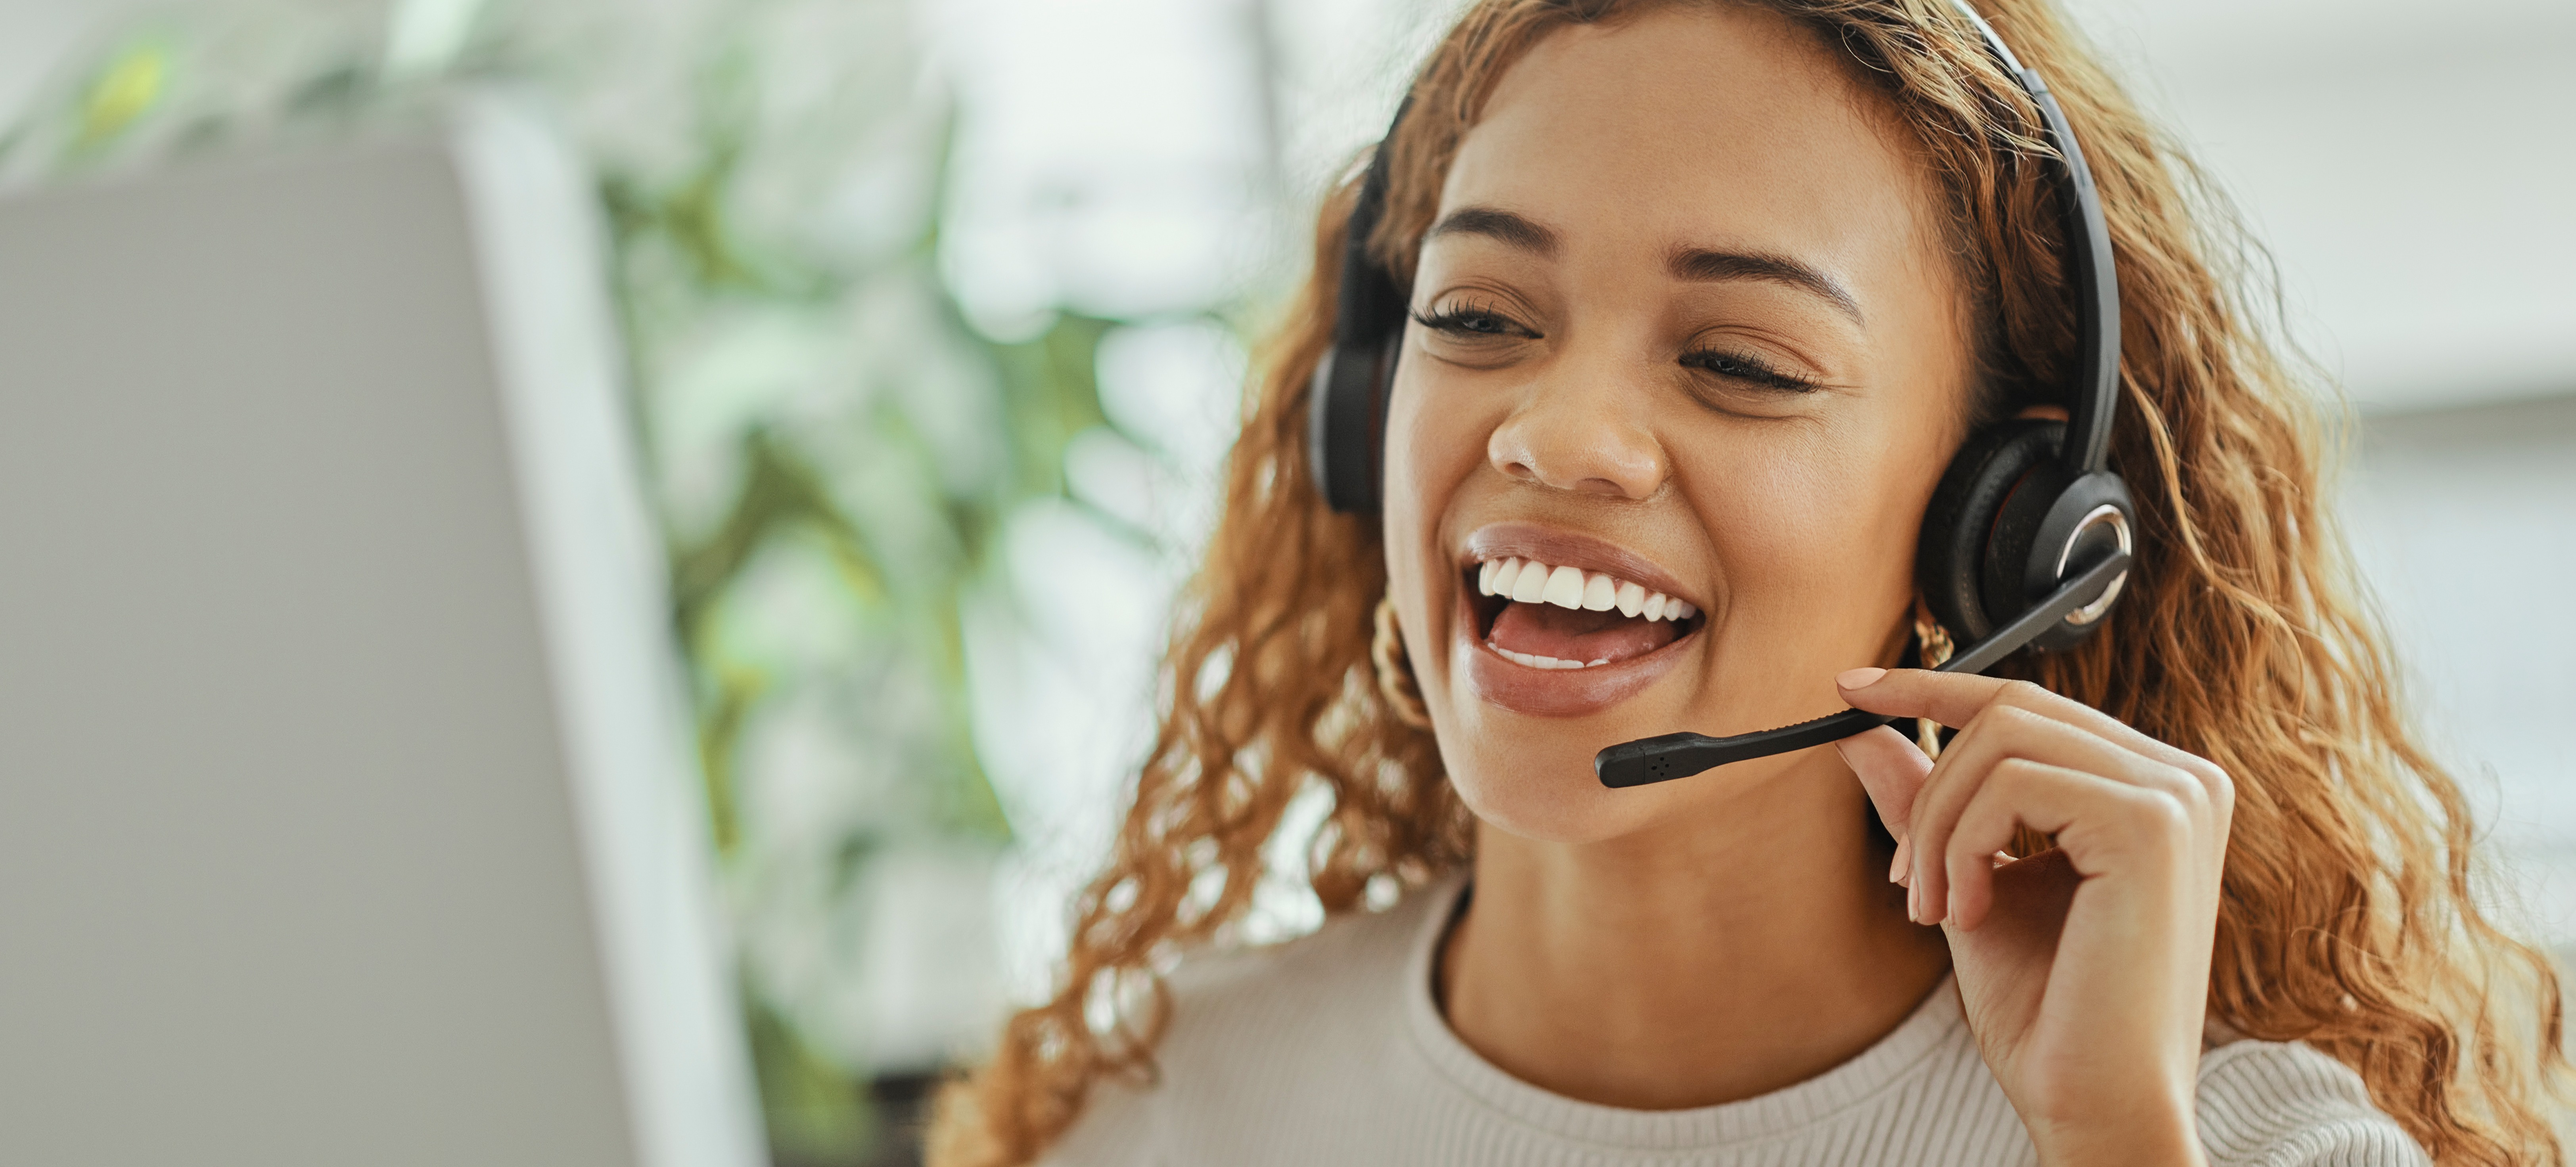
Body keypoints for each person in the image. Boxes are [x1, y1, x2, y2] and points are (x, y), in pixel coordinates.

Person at [931, 1, 2565, 1164]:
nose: (1560, 435)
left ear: (2004, 531)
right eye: (1480, 318)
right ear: (1361, 415)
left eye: (1739, 360)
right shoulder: (1156, 1108)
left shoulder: (2225, 1147)